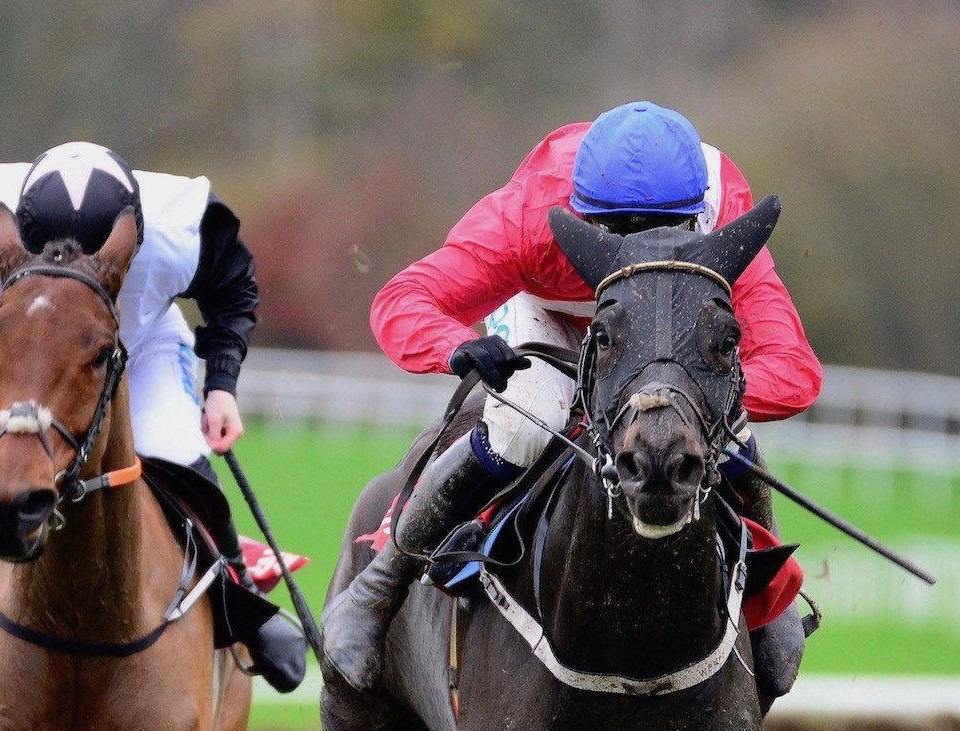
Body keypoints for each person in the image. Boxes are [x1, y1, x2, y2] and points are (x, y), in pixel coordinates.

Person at [324, 101, 823, 697]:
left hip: (676, 329)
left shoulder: (725, 216)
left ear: (699, 219)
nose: (641, 249)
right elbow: (403, 299)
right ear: (581, 217)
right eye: (619, 235)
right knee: (529, 422)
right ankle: (378, 588)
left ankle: (770, 598)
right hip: (561, 320)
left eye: (664, 232)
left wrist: (691, 395)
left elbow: (794, 369)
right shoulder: (528, 218)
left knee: (723, 420)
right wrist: (457, 345)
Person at [0, 141, 306, 691]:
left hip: (137, 343)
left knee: (180, 453)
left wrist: (222, 385)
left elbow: (233, 289)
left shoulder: (182, 234)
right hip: (19, 343)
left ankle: (238, 595)